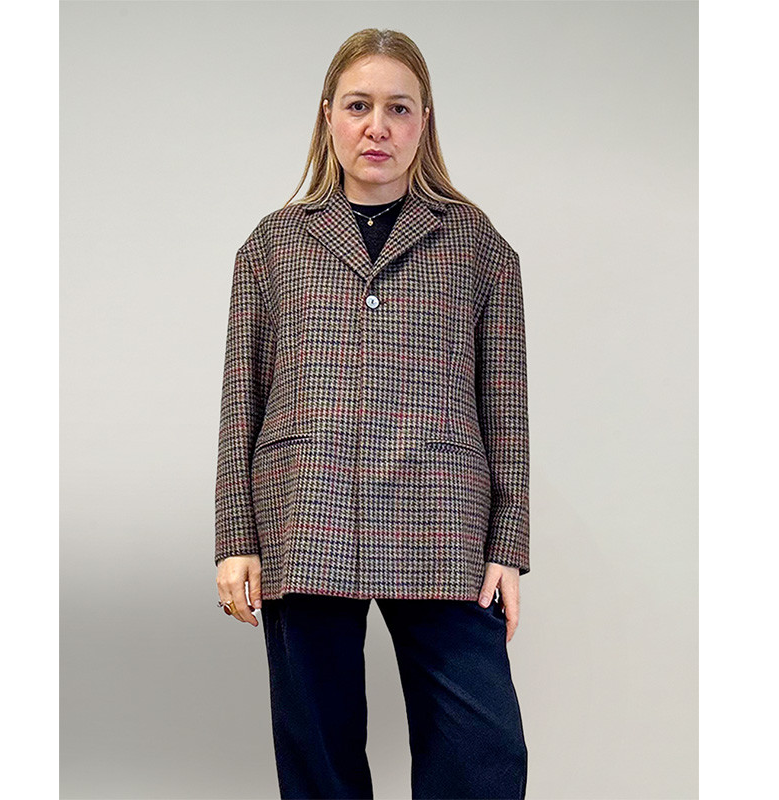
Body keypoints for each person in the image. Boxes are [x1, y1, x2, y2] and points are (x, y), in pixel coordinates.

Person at [215, 28, 530, 800]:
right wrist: (236, 540)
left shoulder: (479, 247)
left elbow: (507, 409)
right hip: (305, 514)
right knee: (317, 758)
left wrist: (508, 544)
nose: (377, 126)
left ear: (425, 120)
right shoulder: (272, 246)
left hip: (442, 522)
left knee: (483, 752)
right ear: (329, 115)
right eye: (359, 106)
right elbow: (240, 400)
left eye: (399, 108)